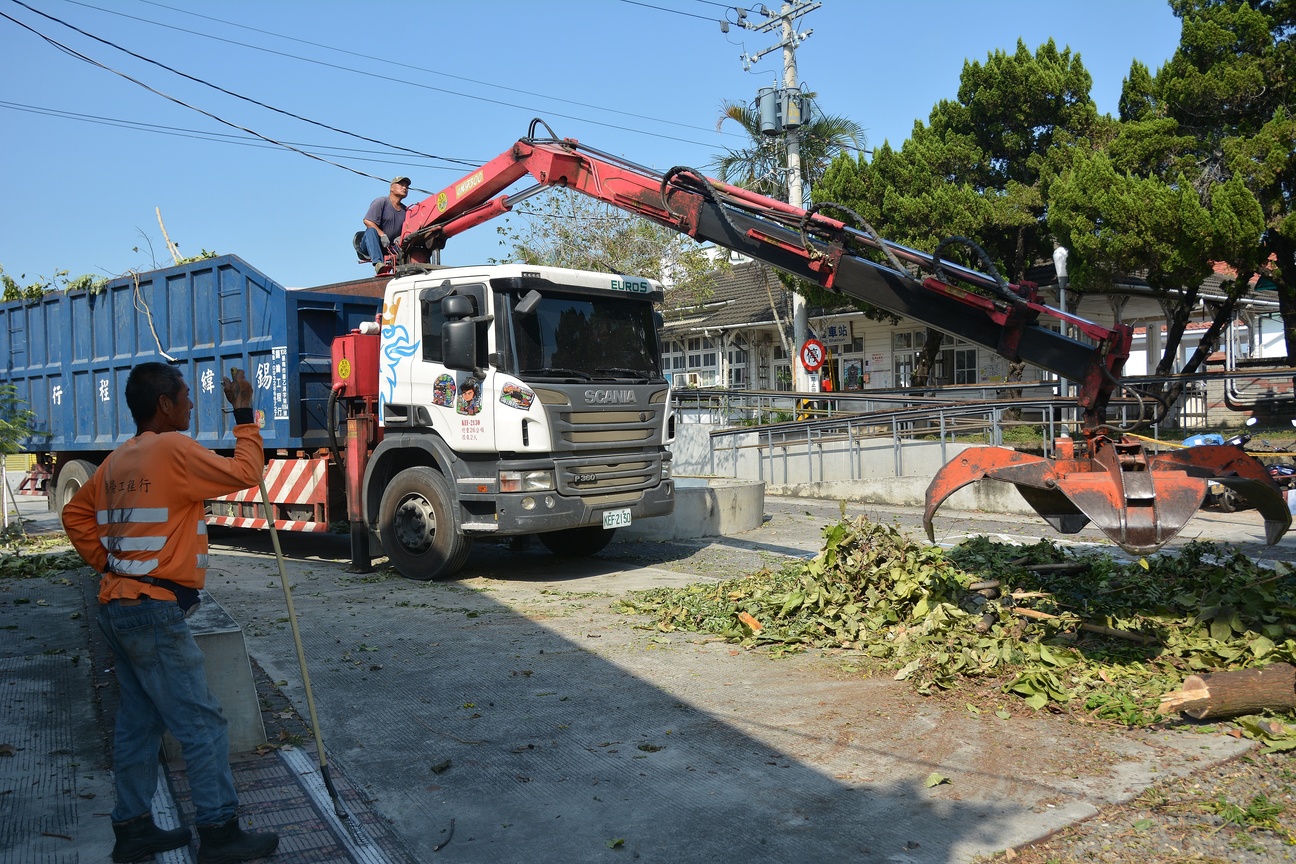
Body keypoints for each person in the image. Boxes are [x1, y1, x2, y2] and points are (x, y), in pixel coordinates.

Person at [62, 363, 279, 864]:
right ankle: (220, 833)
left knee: (139, 723)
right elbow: (247, 473)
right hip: (153, 612)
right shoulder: (173, 449)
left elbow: (75, 513)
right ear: (164, 404)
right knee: (203, 725)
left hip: (120, 606)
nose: (191, 403)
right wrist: (244, 413)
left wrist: (110, 565)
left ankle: (133, 828)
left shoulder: (118, 460)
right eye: (185, 396)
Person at [360, 176, 411, 272]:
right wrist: (382, 235)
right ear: (392, 188)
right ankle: (378, 264)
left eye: (407, 187)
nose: (405, 188)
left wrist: (401, 237)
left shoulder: (406, 210)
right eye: (401, 185)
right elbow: (367, 221)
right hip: (372, 244)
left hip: (390, 247)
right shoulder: (381, 202)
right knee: (371, 231)